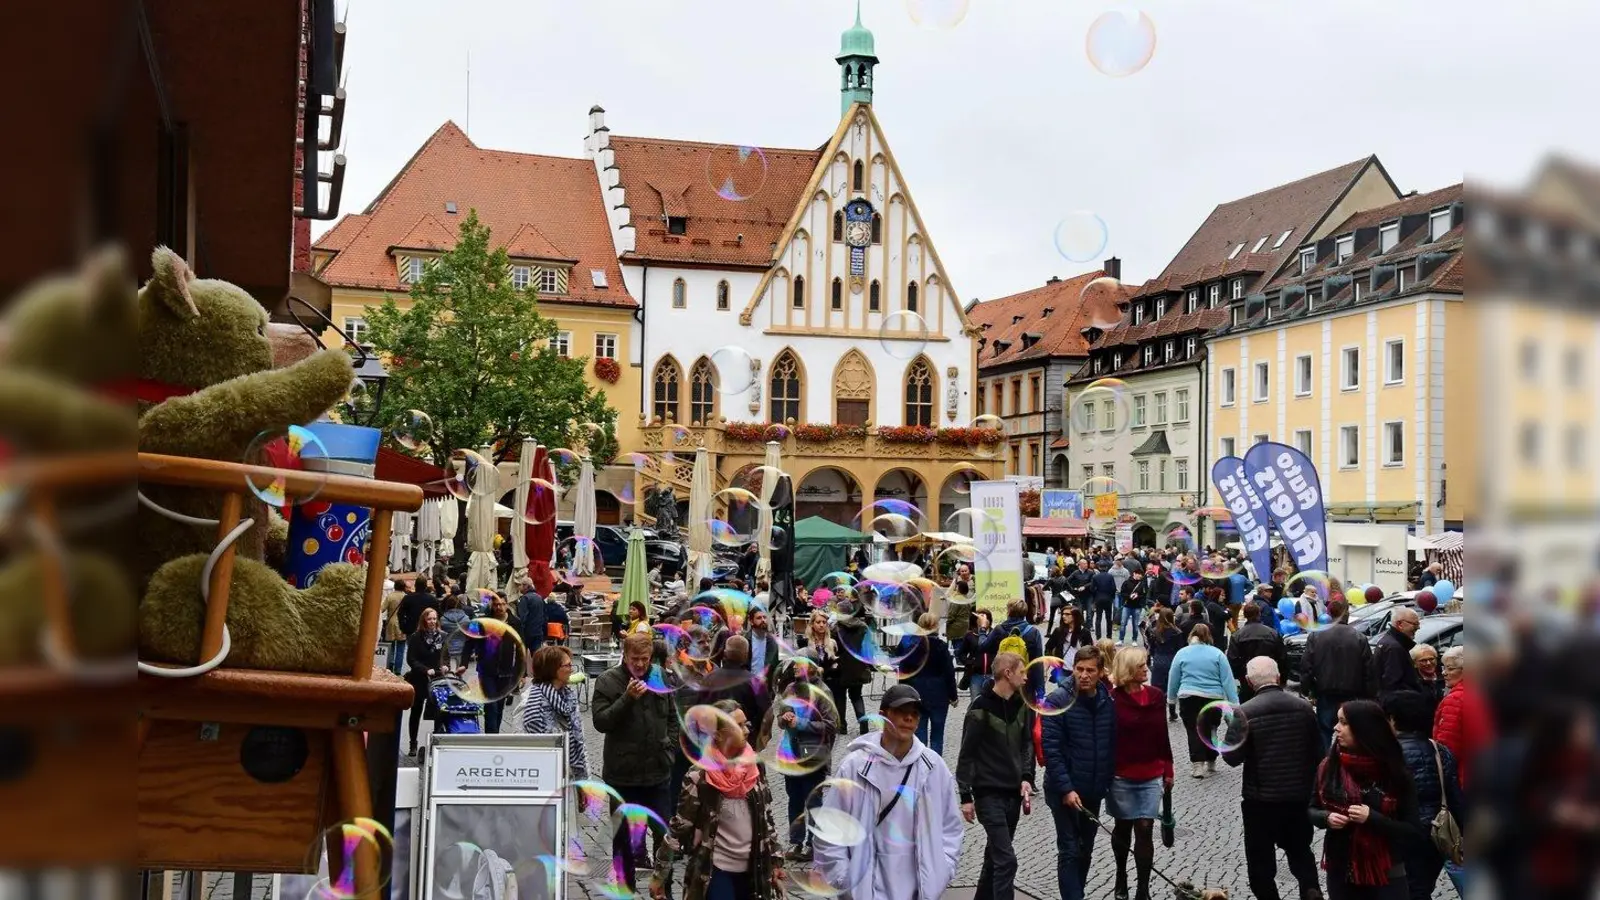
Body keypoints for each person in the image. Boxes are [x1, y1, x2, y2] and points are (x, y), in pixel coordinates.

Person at [813, 684, 964, 900]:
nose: (909, 718)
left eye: (914, 713)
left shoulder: (934, 767)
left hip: (919, 892)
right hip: (866, 891)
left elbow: (951, 827)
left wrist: (943, 871)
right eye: (901, 711)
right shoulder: (854, 767)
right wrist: (845, 881)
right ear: (883, 716)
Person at [651, 700, 784, 900]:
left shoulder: (755, 767)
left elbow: (767, 817)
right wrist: (659, 876)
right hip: (715, 870)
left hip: (754, 869)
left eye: (746, 724)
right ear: (718, 735)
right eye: (738, 726)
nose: (746, 731)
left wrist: (775, 862)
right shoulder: (700, 776)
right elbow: (679, 828)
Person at [1222, 657, 1324, 900]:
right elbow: (1318, 751)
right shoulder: (1303, 708)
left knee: (1260, 862)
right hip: (1298, 796)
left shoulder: (1244, 712)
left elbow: (1232, 757)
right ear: (1278, 677)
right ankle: (1310, 888)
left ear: (1248, 681)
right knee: (1301, 851)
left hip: (1261, 800)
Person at [593, 632, 681, 895]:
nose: (640, 664)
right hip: (622, 775)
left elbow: (673, 717)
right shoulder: (608, 680)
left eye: (645, 659)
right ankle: (625, 889)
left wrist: (670, 747)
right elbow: (601, 722)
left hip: (657, 772)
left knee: (664, 836)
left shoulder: (660, 676)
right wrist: (627, 698)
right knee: (623, 838)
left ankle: (663, 889)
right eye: (635, 659)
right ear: (624, 655)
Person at [1311, 699, 1425, 899]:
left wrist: (1372, 818)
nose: (1336, 728)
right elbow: (1311, 809)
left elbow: (1413, 831)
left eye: (1343, 722)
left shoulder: (1395, 772)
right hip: (1341, 869)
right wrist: (1326, 817)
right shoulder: (1329, 767)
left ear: (1363, 729)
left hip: (1386, 872)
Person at [956, 653, 1035, 900]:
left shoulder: (1022, 705)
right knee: (1007, 860)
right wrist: (965, 796)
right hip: (988, 794)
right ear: (1008, 674)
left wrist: (1026, 776)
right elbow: (967, 753)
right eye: (1022, 671)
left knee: (994, 858)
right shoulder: (980, 707)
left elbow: (1027, 744)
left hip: (1013, 793)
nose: (1026, 677)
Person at [1041, 646, 1116, 900]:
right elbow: (1051, 750)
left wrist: (1106, 781)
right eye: (1079, 669)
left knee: (1085, 850)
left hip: (1092, 789)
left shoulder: (1107, 701)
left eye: (1090, 670)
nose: (1084, 675)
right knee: (1070, 849)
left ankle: (1077, 893)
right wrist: (1066, 788)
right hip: (1064, 791)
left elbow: (1110, 744)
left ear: (1101, 672)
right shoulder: (1057, 701)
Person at [1384, 691, 1466, 900]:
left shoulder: (1388, 755)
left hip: (1400, 835)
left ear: (1392, 718)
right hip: (1434, 834)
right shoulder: (1440, 751)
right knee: (1421, 888)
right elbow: (1455, 797)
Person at [756, 658, 839, 861]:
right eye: (794, 663)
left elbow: (831, 726)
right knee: (794, 799)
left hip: (813, 755)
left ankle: (813, 844)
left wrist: (800, 723)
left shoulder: (823, 692)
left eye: (800, 663)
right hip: (791, 754)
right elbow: (780, 719)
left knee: (813, 801)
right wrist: (784, 719)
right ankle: (796, 842)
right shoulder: (790, 688)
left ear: (811, 667)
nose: (794, 666)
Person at [1107, 648, 1173, 900]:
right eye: (1141, 666)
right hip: (1121, 774)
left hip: (1151, 773)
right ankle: (1121, 875)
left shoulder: (1156, 696)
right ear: (1127, 670)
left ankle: (1143, 890)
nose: (1146, 669)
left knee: (1145, 828)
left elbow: (1163, 734)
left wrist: (1168, 769)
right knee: (1123, 827)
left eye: (1146, 664)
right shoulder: (1112, 699)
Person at [1167, 623, 1239, 778]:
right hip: (1213, 697)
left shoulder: (1182, 653)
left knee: (1193, 730)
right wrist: (1234, 703)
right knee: (1211, 728)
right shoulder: (1218, 654)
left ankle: (1197, 764)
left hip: (1189, 696)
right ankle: (1211, 760)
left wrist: (1171, 699)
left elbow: (1174, 678)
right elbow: (1227, 680)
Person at [1301, 599, 1375, 749]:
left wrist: (1307, 689)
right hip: (1352, 692)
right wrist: (1369, 695)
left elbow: (1307, 665)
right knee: (1352, 729)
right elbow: (1369, 669)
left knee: (1324, 730)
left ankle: (1326, 759)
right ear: (1346, 614)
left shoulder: (1316, 636)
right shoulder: (1359, 637)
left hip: (1325, 691)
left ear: (1329, 615)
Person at [519, 645, 589, 780]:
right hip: (546, 778)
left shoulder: (568, 696)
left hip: (573, 775)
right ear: (552, 670)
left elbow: (580, 742)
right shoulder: (531, 704)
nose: (572, 669)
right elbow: (524, 748)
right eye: (567, 665)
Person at [462, 593, 524, 735]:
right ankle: (492, 738)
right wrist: (464, 663)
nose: (499, 607)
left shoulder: (515, 622)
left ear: (507, 605)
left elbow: (521, 647)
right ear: (491, 605)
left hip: (506, 671)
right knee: (491, 706)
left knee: (499, 707)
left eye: (502, 604)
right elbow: (469, 642)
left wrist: (522, 672)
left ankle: (494, 737)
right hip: (486, 670)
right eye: (496, 605)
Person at [899, 612, 958, 754]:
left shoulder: (912, 646)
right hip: (939, 693)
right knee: (938, 734)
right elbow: (949, 673)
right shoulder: (941, 646)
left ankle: (921, 761)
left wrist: (903, 694)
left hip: (916, 692)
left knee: (919, 733)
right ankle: (935, 764)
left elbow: (903, 672)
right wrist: (953, 696)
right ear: (936, 626)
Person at [1433, 646, 1489, 788]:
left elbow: (1447, 747)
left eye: (1450, 669)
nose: (1444, 673)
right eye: (1444, 667)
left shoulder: (1455, 699)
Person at [404, 607, 454, 756]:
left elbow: (446, 656)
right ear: (424, 620)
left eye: (434, 619)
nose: (432, 621)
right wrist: (425, 670)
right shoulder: (416, 637)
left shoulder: (443, 636)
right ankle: (413, 743)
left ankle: (436, 741)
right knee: (416, 711)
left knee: (439, 712)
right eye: (429, 619)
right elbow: (411, 659)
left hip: (437, 678)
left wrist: (446, 666)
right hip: (420, 678)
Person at [982, 599, 1044, 699]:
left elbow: (983, 647)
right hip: (1025, 681)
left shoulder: (999, 630)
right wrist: (1040, 691)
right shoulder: (1033, 632)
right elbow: (1038, 663)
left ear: (1008, 611)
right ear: (1025, 612)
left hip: (1003, 680)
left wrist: (982, 630)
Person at [1228, 603, 1286, 702]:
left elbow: (1233, 660)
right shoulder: (1272, 633)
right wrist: (1282, 678)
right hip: (1270, 677)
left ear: (1245, 615)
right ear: (1259, 614)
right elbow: (1283, 658)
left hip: (1247, 678)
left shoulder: (1237, 636)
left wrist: (1241, 676)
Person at [831, 602, 872, 733]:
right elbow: (868, 649)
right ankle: (863, 722)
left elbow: (833, 649)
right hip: (858, 667)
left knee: (840, 697)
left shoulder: (835, 629)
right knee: (856, 696)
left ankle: (842, 726)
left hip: (840, 667)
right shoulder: (863, 627)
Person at [1372, 607, 1423, 706]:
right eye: (1415, 624)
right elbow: (1393, 684)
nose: (1418, 627)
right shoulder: (1394, 647)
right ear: (1400, 624)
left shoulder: (1389, 642)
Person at [1144, 608, 1185, 724]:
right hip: (1172, 659)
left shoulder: (1154, 631)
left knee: (1157, 688)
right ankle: (1172, 712)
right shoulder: (1177, 632)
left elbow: (1151, 648)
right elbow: (1180, 649)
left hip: (1159, 660)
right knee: (1171, 687)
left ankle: (1158, 712)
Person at [959, 609, 995, 698]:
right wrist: (969, 662)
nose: (984, 620)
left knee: (991, 701)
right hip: (976, 675)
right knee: (975, 700)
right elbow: (961, 653)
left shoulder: (995, 634)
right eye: (980, 618)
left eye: (986, 618)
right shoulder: (970, 635)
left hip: (992, 675)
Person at [745, 604, 781, 687]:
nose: (763, 620)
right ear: (751, 621)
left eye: (764, 617)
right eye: (759, 618)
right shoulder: (745, 640)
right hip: (749, 685)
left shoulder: (773, 642)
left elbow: (776, 666)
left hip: (766, 686)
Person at [1115, 567, 1149, 645]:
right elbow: (1122, 593)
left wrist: (1138, 596)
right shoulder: (1126, 582)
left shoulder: (1142, 584)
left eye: (1141, 575)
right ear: (1134, 573)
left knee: (1135, 624)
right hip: (1127, 605)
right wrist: (1129, 596)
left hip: (1137, 606)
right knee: (1123, 623)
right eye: (1138, 574)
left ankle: (1134, 640)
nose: (1140, 576)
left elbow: (1144, 595)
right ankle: (1121, 639)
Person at [1409, 644, 1443, 719]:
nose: (1428, 663)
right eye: (1423, 660)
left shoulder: (1446, 676)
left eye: (1431, 659)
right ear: (1414, 664)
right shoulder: (1412, 684)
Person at [514, 578, 547, 652]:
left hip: (527, 633)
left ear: (526, 586)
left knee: (522, 654)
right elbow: (544, 616)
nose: (519, 587)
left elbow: (522, 617)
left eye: (520, 585)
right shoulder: (539, 597)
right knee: (536, 655)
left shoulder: (525, 598)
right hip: (538, 632)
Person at [382, 579, 407, 676]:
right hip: (402, 624)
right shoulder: (406, 597)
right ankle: (398, 670)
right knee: (401, 648)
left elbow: (382, 609)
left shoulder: (390, 596)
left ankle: (390, 666)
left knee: (390, 646)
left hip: (391, 623)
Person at [1090, 563, 1118, 640]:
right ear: (1106, 567)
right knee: (1108, 618)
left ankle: (1098, 636)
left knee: (1098, 618)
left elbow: (1092, 589)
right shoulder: (1110, 576)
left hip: (1098, 598)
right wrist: (1112, 597)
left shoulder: (1095, 576)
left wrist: (1095, 596)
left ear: (1099, 567)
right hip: (1108, 599)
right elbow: (1113, 588)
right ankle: (1109, 636)